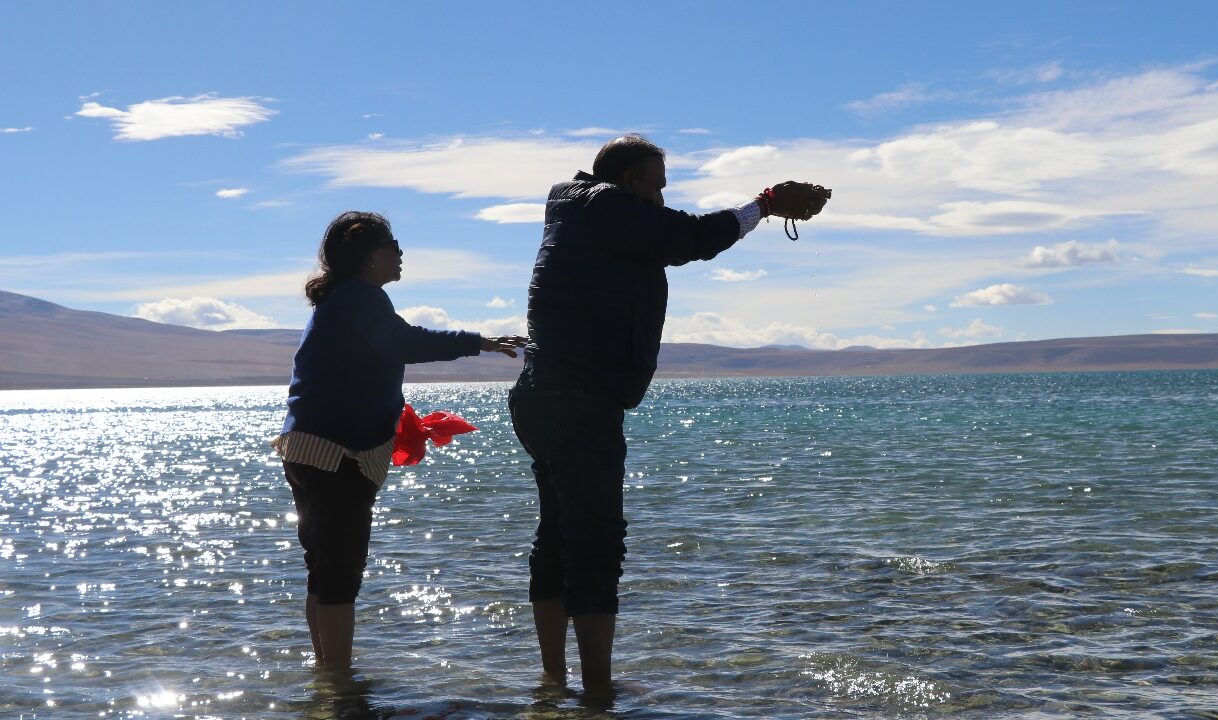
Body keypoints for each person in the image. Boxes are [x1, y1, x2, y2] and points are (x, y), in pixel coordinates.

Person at [507, 135, 829, 697]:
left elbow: (672, 238)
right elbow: (692, 238)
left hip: (544, 395)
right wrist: (765, 204)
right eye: (656, 185)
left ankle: (554, 680)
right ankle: (598, 690)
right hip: (578, 400)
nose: (661, 197)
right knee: (595, 542)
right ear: (630, 181)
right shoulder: (606, 207)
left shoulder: (575, 208)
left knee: (558, 535)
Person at [275, 210, 525, 668]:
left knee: (324, 568)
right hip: (337, 454)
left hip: (308, 447)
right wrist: (478, 341)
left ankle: (328, 675)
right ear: (368, 255)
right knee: (339, 572)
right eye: (393, 245)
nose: (402, 252)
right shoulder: (361, 296)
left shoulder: (341, 299)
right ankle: (341, 683)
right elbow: (405, 343)